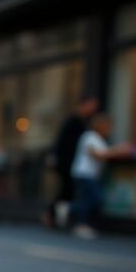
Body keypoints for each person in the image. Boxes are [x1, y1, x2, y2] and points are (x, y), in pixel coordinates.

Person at [70, 113, 130, 239]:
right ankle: (79, 223)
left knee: (89, 199)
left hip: (91, 175)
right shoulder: (89, 136)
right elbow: (97, 154)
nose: (109, 129)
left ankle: (68, 211)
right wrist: (116, 151)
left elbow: (103, 153)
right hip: (84, 173)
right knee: (91, 199)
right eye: (107, 126)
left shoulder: (100, 140)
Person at [49, 96, 98, 229]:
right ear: (84, 105)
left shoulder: (85, 122)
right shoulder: (73, 121)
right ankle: (55, 213)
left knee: (69, 190)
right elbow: (61, 141)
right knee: (68, 189)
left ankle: (58, 213)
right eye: (91, 105)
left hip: (73, 162)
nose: (93, 109)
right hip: (67, 161)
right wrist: (54, 157)